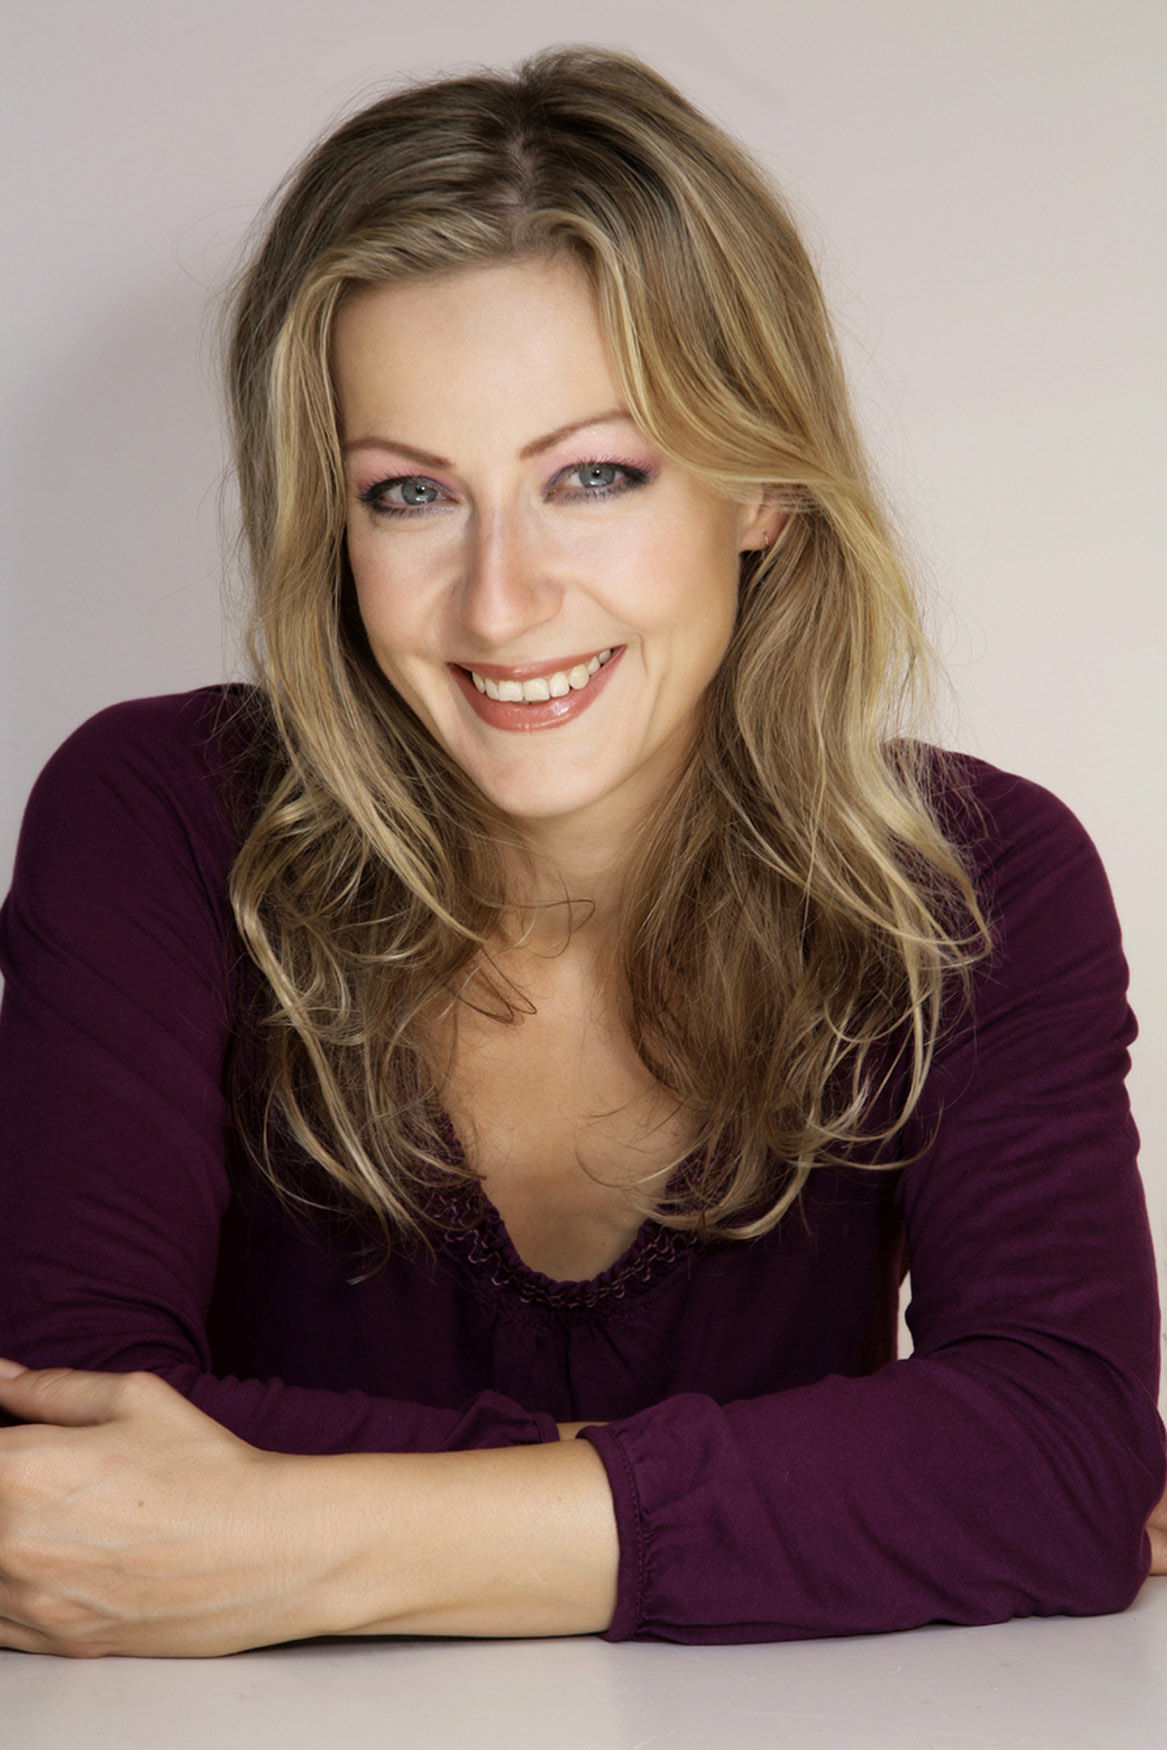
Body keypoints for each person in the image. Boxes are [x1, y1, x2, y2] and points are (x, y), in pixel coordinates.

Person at [0, 45, 1162, 1659]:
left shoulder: (975, 883)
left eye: (594, 475)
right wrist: (852, 1487)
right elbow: (57, 1460)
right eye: (410, 496)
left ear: (762, 485)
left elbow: (1061, 1457)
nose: (501, 601)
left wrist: (301, 1534)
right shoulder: (158, 819)